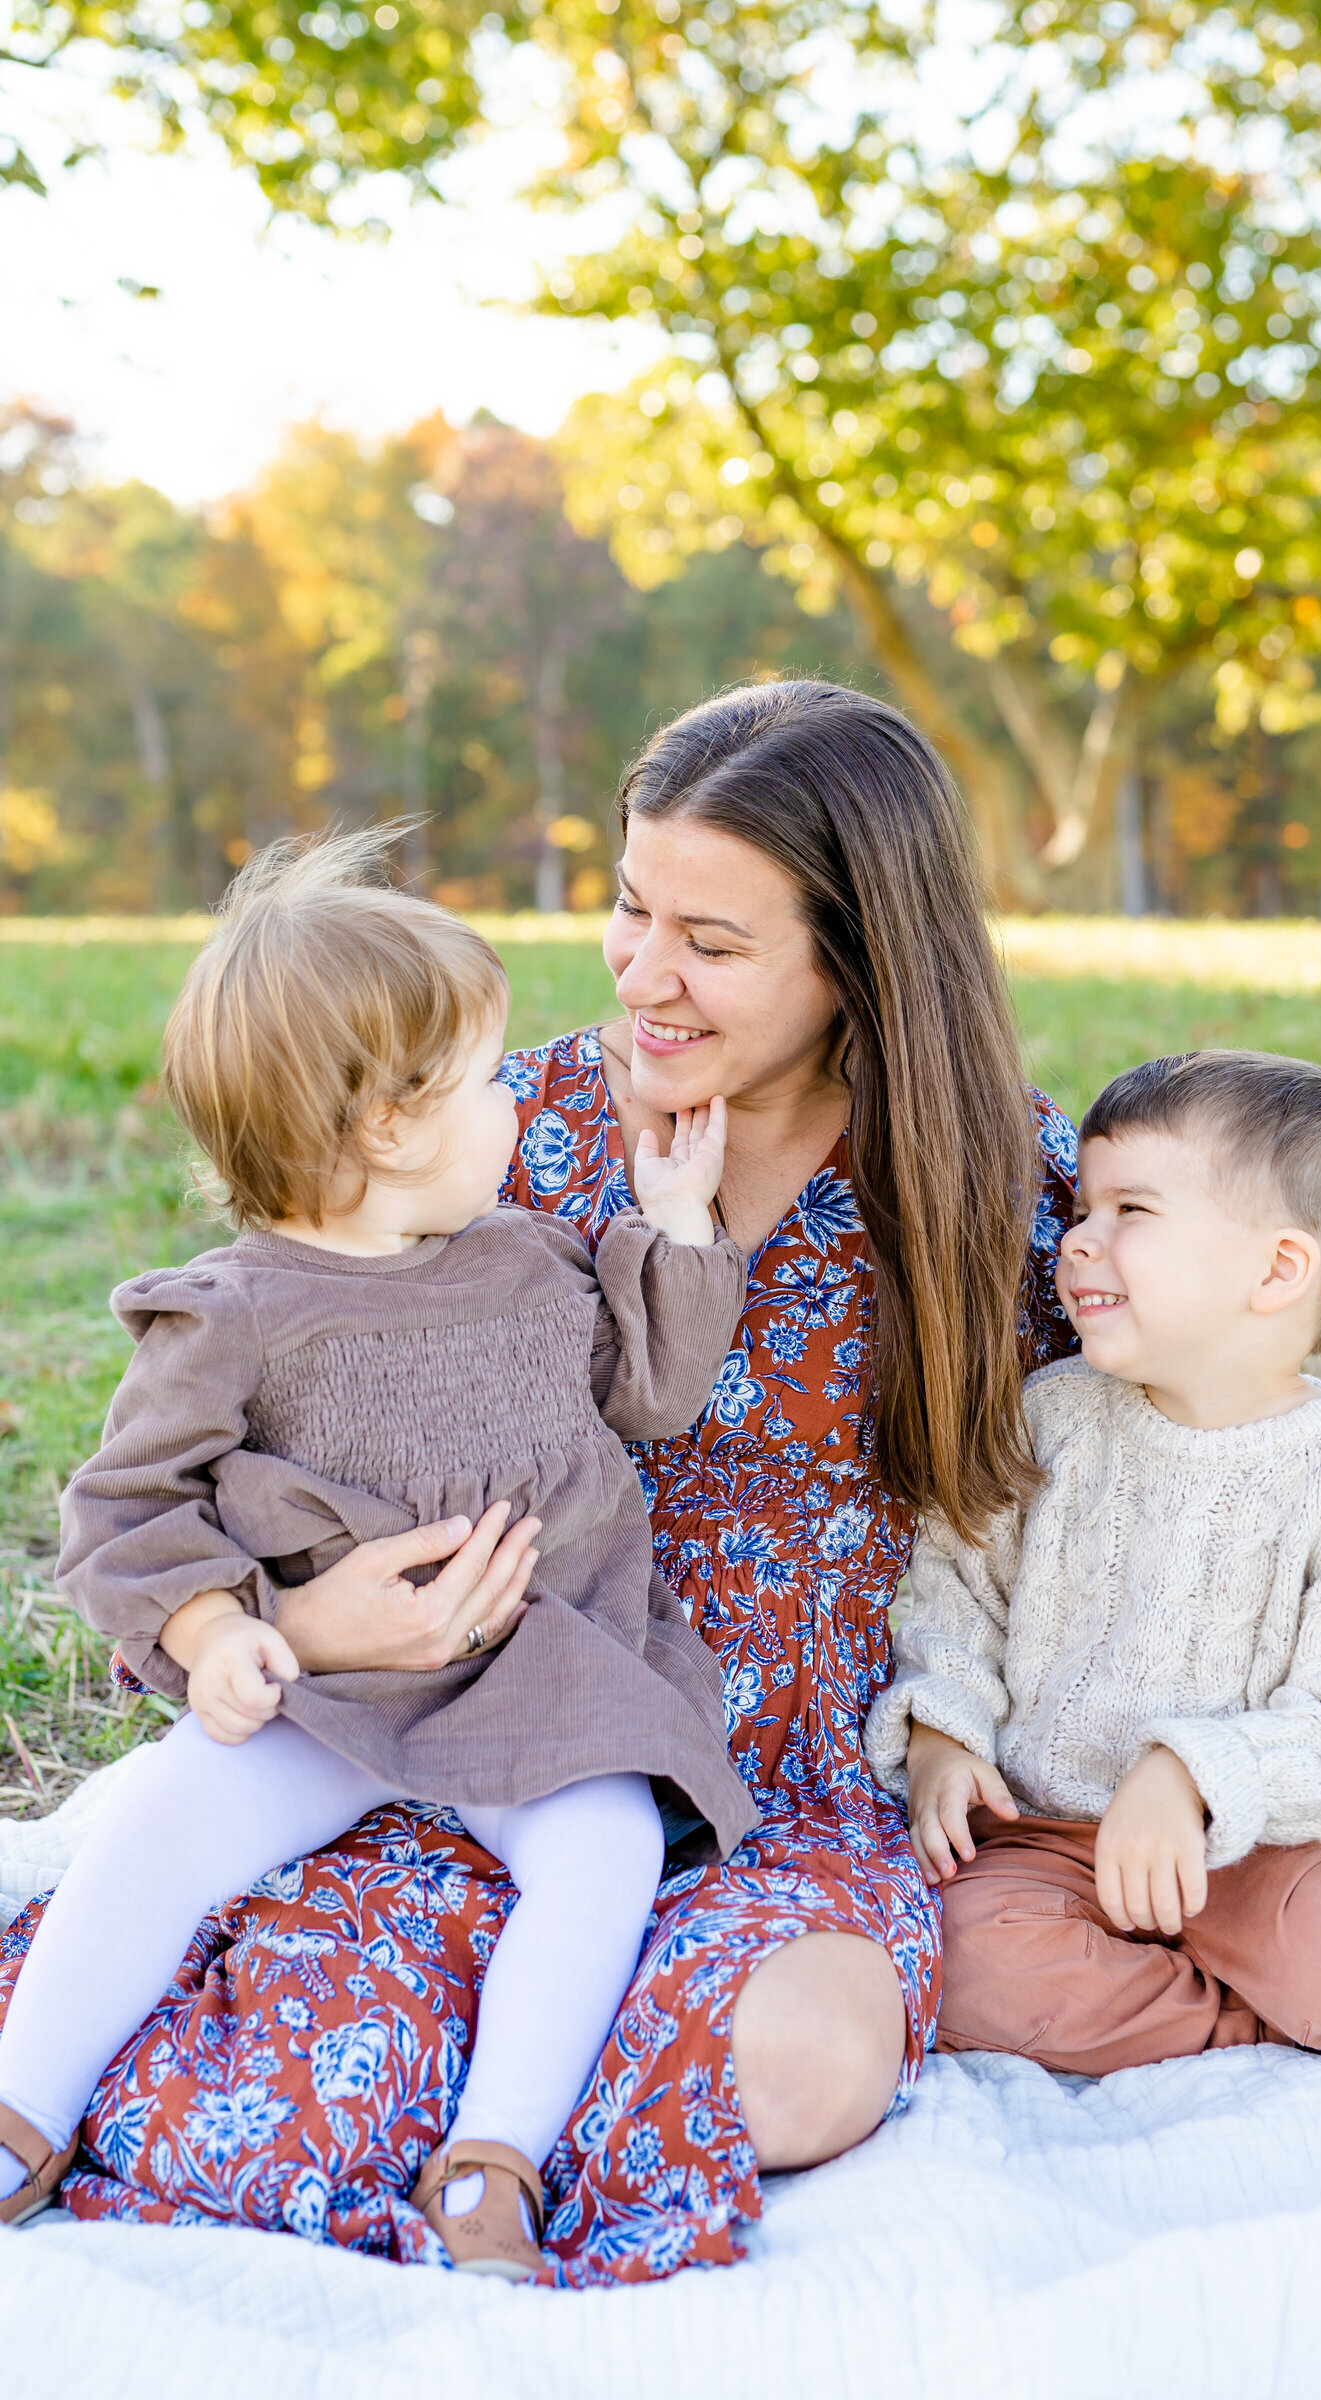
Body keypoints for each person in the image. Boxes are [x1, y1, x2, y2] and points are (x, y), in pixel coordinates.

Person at [0, 679, 1081, 2283]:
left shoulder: (1004, 1184)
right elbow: (220, 1446)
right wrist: (305, 1621)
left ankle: (488, 2094)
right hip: (444, 1715)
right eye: (631, 909)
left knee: (796, 2070)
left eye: (713, 944)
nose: (645, 972)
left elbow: (1163, 1475)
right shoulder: (492, 1124)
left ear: (862, 959)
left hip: (767, 1774)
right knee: (263, 2044)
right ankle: (419, 2096)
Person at [0, 829, 757, 2273]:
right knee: (163, 1819)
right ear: (394, 1127)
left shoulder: (530, 1261)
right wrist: (220, 1635)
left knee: (599, 1850)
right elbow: (126, 1508)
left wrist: (672, 1228)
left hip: (535, 1678)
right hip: (328, 1698)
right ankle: (24, 2104)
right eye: (486, 1087)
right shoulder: (234, 1312)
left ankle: (494, 2160)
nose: (516, 1111)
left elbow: (652, 1395)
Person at [866, 1049, 1321, 2073]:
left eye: (1133, 1212)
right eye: (1084, 1207)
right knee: (963, 1962)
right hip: (1052, 1837)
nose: (1077, 1240)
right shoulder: (1052, 1418)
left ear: (1277, 1269)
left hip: (1265, 1847)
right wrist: (943, 1736)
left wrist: (1196, 1775)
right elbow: (955, 1593)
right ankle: (1278, 2028)